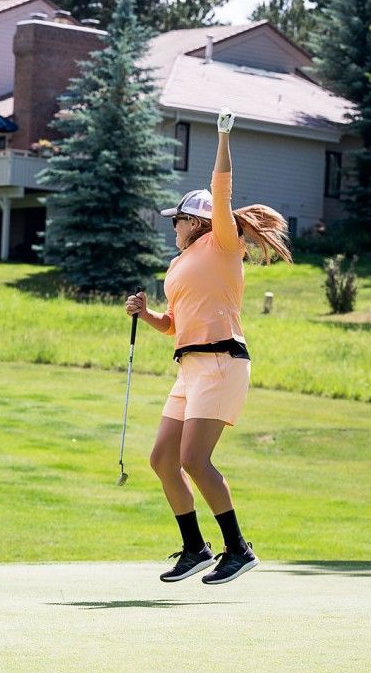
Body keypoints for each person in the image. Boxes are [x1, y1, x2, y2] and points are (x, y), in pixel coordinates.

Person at [125, 108, 292, 585]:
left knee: (193, 460)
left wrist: (222, 139)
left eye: (176, 219)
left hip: (222, 361)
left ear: (197, 222)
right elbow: (176, 324)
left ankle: (238, 549)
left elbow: (222, 190)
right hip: (190, 367)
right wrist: (146, 315)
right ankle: (196, 548)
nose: (171, 226)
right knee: (162, 459)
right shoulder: (181, 265)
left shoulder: (221, 243)